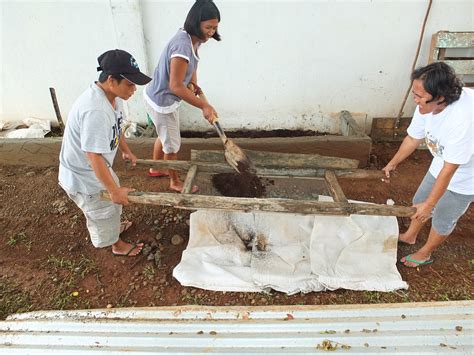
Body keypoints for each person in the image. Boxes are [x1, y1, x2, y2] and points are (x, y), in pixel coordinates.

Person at [58, 49, 152, 257]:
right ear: (111, 80)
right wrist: (113, 191)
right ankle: (116, 245)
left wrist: (126, 151)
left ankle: (113, 227)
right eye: (129, 83)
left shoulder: (112, 97)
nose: (134, 89)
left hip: (97, 169)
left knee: (110, 201)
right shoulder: (95, 110)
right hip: (83, 175)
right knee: (102, 209)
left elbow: (117, 127)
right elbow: (93, 156)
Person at [383, 62, 473, 267]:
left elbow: (450, 169)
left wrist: (431, 206)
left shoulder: (462, 120)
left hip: (468, 175)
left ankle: (425, 253)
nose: (415, 100)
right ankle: (410, 236)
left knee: (443, 215)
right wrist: (393, 162)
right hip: (444, 159)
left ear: (440, 97)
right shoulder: (426, 105)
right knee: (420, 200)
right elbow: (413, 138)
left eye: (419, 96)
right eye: (414, 93)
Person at [144, 0, 221, 192]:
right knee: (172, 146)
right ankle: (175, 182)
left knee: (164, 135)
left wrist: (194, 83)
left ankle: (155, 167)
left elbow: (191, 65)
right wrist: (204, 106)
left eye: (215, 27)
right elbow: (176, 86)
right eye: (208, 27)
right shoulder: (182, 46)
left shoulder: (192, 38)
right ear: (196, 23)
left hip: (154, 95)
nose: (211, 32)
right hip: (163, 101)